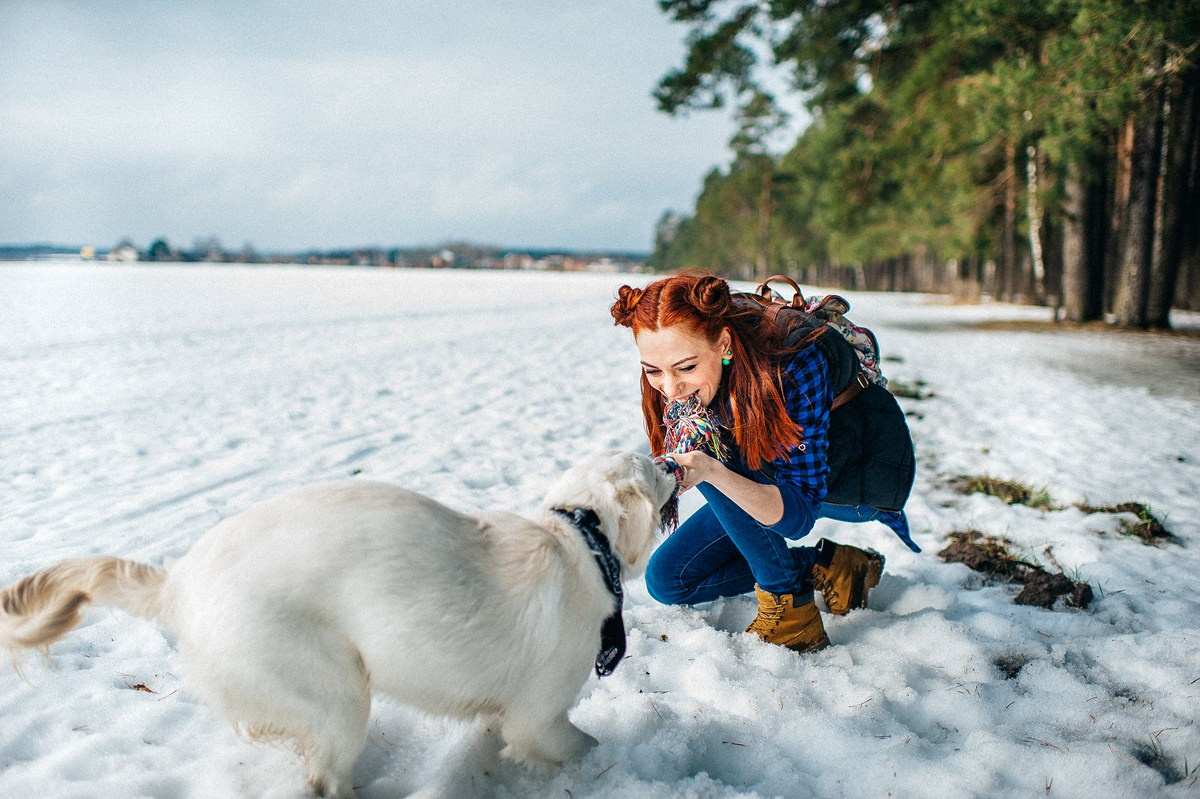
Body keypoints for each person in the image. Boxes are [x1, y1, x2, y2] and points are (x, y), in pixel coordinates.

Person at [610, 272, 915, 653]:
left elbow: (797, 517)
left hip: (856, 475)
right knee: (669, 580)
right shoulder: (676, 374)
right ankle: (835, 566)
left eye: (686, 368)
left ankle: (791, 613)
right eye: (653, 370)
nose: (669, 389)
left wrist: (711, 470)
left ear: (723, 343)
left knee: (707, 458)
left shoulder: (794, 362)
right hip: (770, 470)